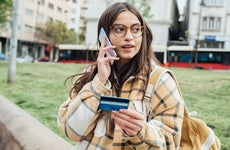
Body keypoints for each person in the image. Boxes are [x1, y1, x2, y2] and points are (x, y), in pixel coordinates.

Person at [57, 2, 184, 150]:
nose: (129, 37)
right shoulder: (90, 75)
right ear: (103, 36)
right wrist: (99, 83)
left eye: (136, 29)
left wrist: (140, 131)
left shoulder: (161, 81)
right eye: (119, 29)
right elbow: (71, 132)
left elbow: (171, 144)